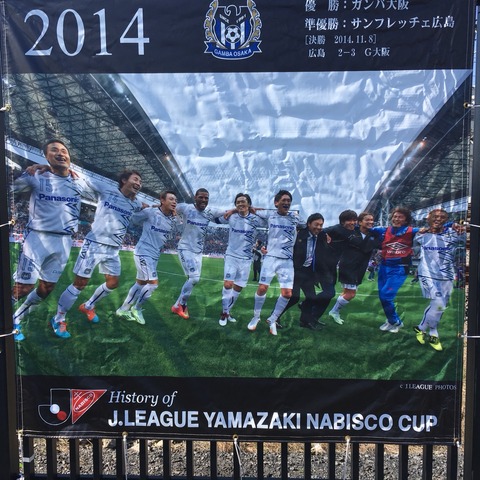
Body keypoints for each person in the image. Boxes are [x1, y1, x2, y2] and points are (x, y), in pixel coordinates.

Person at [10, 139, 91, 342]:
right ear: (46, 156)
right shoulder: (35, 176)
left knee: (46, 289)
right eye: (54, 150)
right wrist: (29, 170)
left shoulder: (79, 181)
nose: (61, 153)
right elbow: (10, 189)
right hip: (37, 239)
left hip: (64, 242)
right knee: (23, 288)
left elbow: (106, 193)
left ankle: (16, 319)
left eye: (64, 150)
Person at [50, 169, 144, 338]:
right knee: (80, 284)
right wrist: (65, 169)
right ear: (124, 180)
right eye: (135, 179)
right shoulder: (107, 189)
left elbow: (145, 206)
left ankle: (88, 306)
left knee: (113, 283)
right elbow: (84, 179)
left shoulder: (135, 203)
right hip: (94, 244)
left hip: (113, 249)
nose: (138, 183)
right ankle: (58, 319)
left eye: (140, 182)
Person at [247, 190, 306, 336]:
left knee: (287, 294)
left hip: (287, 261)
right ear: (276, 203)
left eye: (289, 201)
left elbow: (307, 226)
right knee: (262, 288)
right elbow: (251, 210)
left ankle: (272, 319)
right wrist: (255, 209)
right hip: (271, 258)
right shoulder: (270, 214)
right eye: (284, 200)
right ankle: (256, 317)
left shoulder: (296, 217)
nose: (287, 203)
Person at [115, 190, 178, 325]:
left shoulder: (172, 220)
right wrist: (142, 207)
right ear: (162, 200)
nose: (174, 202)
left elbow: (174, 233)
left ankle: (123, 309)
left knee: (140, 283)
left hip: (155, 255)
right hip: (143, 251)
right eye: (171, 199)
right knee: (153, 284)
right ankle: (137, 308)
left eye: (175, 200)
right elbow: (133, 219)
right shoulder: (151, 212)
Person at [413, 209, 465, 351]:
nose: (438, 219)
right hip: (428, 274)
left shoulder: (453, 233)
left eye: (442, 217)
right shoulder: (421, 234)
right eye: (435, 216)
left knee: (440, 306)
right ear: (428, 219)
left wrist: (462, 230)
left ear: (446, 220)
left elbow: (466, 240)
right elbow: (415, 249)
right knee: (438, 303)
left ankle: (421, 328)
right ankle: (433, 333)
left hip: (447, 275)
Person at [170, 188, 227, 320]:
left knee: (194, 280)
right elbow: (168, 206)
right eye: (201, 197)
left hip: (198, 252)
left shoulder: (210, 212)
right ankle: (182, 305)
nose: (203, 200)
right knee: (194, 278)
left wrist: (242, 209)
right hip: (185, 248)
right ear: (195, 197)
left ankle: (177, 305)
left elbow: (227, 212)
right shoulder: (186, 208)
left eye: (206, 198)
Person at [215, 193, 266, 326]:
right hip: (231, 256)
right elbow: (215, 219)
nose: (240, 204)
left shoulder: (255, 219)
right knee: (228, 284)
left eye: (243, 201)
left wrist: (256, 210)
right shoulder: (231, 217)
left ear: (249, 204)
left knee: (238, 288)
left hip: (246, 259)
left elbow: (270, 219)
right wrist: (232, 210)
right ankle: (224, 313)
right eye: (237, 202)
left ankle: (227, 312)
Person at [328, 212, 382, 325]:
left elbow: (381, 245)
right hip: (348, 266)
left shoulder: (374, 235)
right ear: (360, 222)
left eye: (372, 220)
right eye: (367, 220)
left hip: (361, 267)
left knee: (347, 292)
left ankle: (334, 311)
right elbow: (332, 232)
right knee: (351, 294)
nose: (370, 222)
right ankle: (334, 312)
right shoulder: (351, 232)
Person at [275, 213, 326, 330]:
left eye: (321, 225)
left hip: (308, 272)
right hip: (294, 270)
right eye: (316, 224)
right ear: (308, 224)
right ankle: (275, 317)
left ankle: (305, 321)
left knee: (311, 297)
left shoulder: (321, 235)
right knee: (294, 297)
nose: (319, 227)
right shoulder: (298, 234)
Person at [375, 207, 420, 333]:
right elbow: (364, 227)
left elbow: (431, 229)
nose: (396, 219)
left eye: (400, 217)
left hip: (400, 267)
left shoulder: (411, 231)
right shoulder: (384, 230)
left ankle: (396, 322)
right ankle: (391, 321)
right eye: (395, 216)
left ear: (406, 220)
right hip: (384, 266)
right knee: (382, 296)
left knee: (386, 295)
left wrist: (454, 225)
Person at [309, 209, 358, 325]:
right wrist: (324, 235)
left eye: (354, 220)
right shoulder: (336, 229)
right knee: (329, 293)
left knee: (330, 294)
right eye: (349, 220)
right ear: (343, 221)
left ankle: (313, 317)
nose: (352, 222)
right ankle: (307, 303)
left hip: (332, 266)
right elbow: (320, 231)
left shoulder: (352, 231)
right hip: (323, 265)